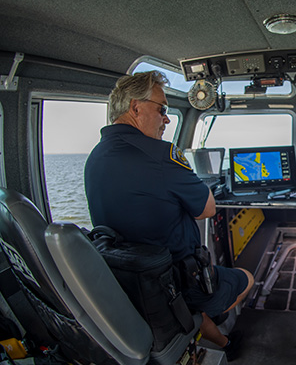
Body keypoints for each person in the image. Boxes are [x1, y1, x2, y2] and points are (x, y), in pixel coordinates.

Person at [84, 70, 253, 361]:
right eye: (162, 109)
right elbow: (207, 209)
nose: (167, 119)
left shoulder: (95, 156)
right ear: (135, 107)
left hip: (130, 282)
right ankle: (213, 308)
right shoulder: (161, 155)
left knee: (190, 308)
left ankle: (224, 344)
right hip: (179, 281)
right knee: (247, 278)